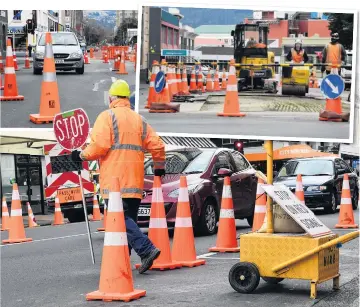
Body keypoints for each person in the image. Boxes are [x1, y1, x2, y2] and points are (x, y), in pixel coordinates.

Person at [71, 80, 166, 274]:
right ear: (126, 98)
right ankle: (123, 263)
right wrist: (158, 168)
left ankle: (146, 249)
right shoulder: (139, 120)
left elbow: (100, 146)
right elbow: (158, 145)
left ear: (111, 98)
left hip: (114, 182)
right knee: (128, 220)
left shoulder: (106, 117)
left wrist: (80, 155)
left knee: (120, 220)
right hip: (135, 181)